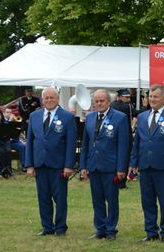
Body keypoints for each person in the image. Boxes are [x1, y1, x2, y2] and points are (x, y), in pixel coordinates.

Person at [129, 84, 164, 242]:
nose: (152, 100)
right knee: (147, 201)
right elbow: (137, 142)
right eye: (150, 97)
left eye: (155, 97)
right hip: (145, 165)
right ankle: (151, 232)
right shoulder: (142, 117)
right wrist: (133, 162)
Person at [25, 87, 77, 236]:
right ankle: (47, 227)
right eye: (46, 98)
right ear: (42, 100)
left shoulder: (67, 117)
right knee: (43, 197)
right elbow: (30, 141)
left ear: (58, 98)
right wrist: (30, 164)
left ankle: (60, 227)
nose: (49, 100)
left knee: (60, 198)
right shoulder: (34, 116)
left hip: (59, 165)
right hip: (40, 164)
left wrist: (68, 165)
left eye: (52, 97)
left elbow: (71, 144)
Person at [80, 90, 129, 241]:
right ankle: (100, 228)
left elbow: (123, 145)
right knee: (97, 199)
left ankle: (111, 229)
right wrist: (83, 166)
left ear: (109, 102)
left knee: (111, 199)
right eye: (96, 101)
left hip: (111, 166)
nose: (99, 103)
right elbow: (85, 144)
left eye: (102, 101)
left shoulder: (120, 118)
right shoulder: (90, 118)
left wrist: (121, 168)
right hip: (93, 165)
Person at [0, 109, 12, 178]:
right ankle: (0, 171)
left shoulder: (5, 124)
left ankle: (7, 171)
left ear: (2, 116)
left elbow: (8, 136)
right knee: (1, 151)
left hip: (3, 143)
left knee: (7, 151)